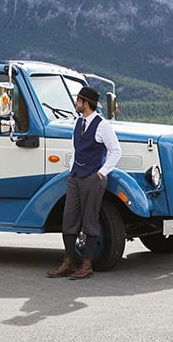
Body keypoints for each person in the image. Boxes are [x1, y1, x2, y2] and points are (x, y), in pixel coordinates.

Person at [46, 85, 122, 280]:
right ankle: (69, 262)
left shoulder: (102, 125)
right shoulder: (78, 122)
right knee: (69, 218)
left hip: (92, 178)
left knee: (90, 220)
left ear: (86, 104)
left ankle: (87, 265)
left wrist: (101, 173)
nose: (76, 103)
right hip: (76, 176)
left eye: (78, 101)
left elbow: (116, 151)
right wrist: (72, 169)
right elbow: (75, 148)